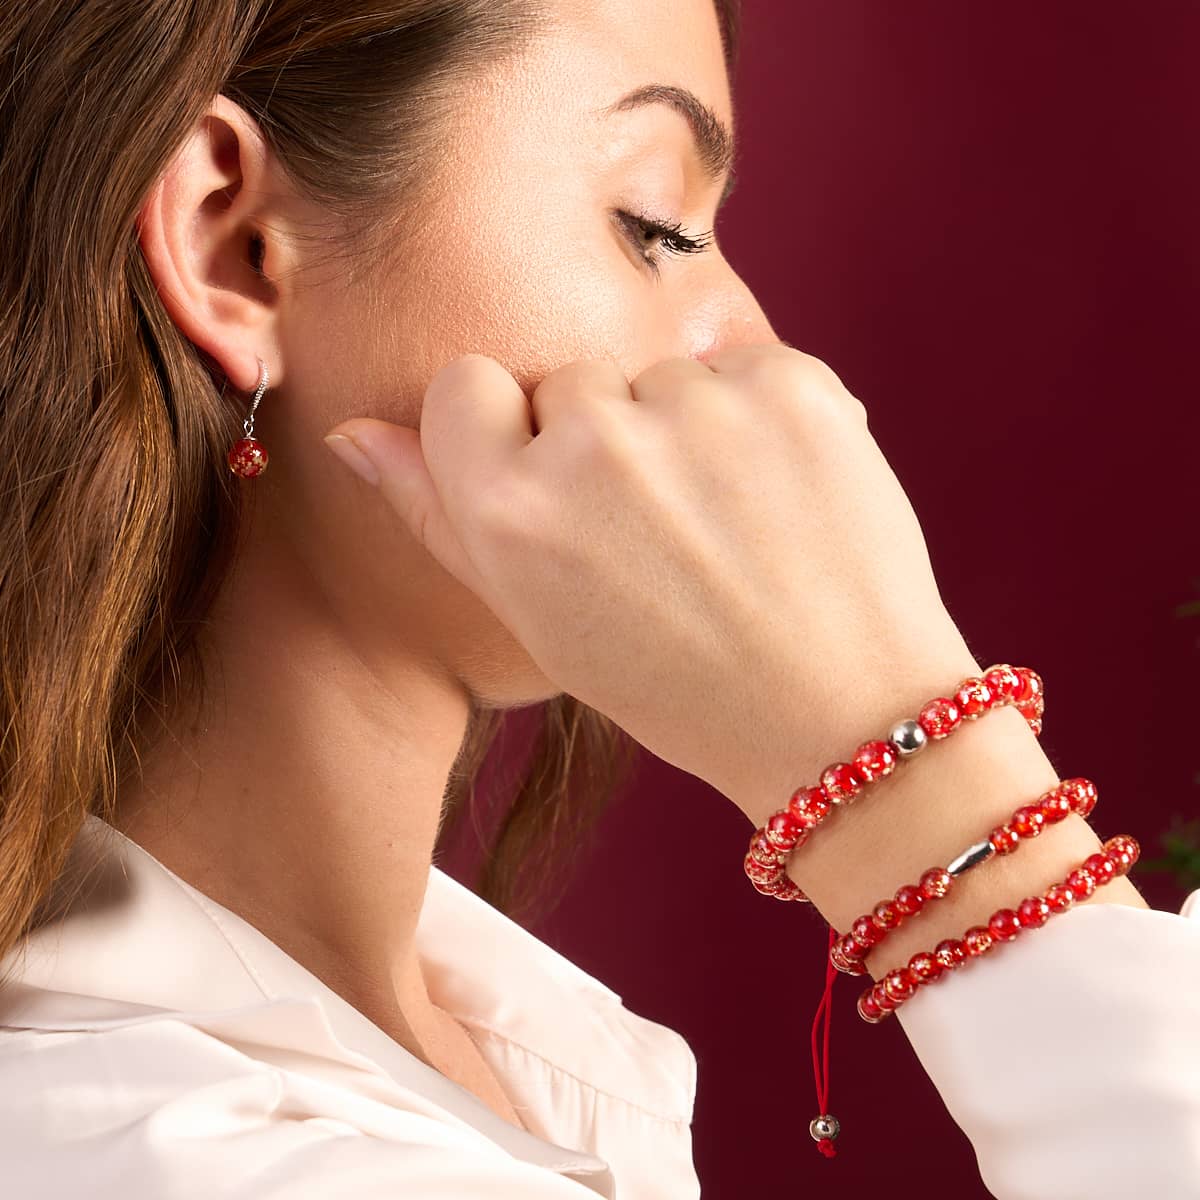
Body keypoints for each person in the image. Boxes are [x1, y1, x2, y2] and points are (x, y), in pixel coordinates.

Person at [1, 1, 1197, 1197]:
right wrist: (922, 788)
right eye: (657, 226)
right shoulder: (190, 1154)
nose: (760, 351)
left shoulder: (508, 1046)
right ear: (237, 242)